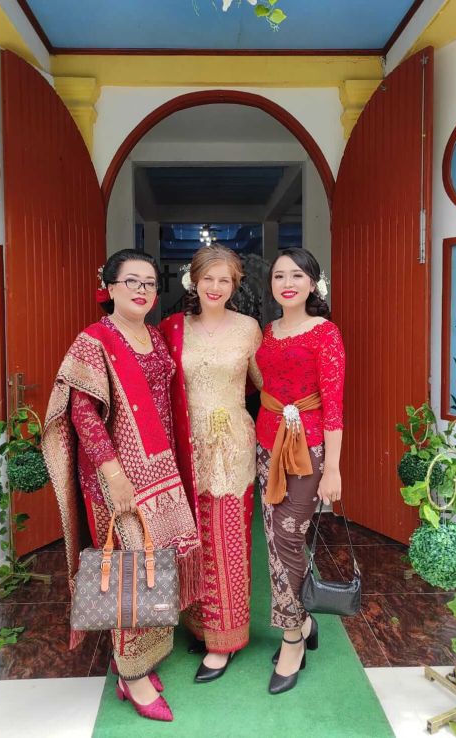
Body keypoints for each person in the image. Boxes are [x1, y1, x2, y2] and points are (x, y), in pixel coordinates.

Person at [42, 249, 202, 722]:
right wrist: (114, 473)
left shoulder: (153, 334)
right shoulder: (93, 340)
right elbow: (81, 414)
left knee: (156, 564)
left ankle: (139, 658)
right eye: (131, 281)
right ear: (109, 288)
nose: (142, 290)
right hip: (118, 477)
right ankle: (131, 679)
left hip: (161, 472)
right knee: (130, 569)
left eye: (150, 283)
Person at [160, 244, 262, 683]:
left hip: (231, 445)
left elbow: (266, 384)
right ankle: (199, 625)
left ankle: (224, 641)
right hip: (187, 444)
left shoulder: (249, 328)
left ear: (234, 284)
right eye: (208, 278)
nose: (215, 287)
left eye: (225, 280)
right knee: (192, 538)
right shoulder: (172, 328)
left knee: (227, 540)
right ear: (193, 281)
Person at [255, 247, 345, 695]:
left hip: (309, 450)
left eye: (296, 275)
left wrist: (335, 469)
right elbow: (260, 381)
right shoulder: (266, 333)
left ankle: (292, 635)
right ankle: (304, 622)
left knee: (290, 536)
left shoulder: (326, 333)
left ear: (313, 283)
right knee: (273, 535)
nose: (287, 282)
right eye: (278, 276)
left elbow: (334, 405)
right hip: (266, 444)